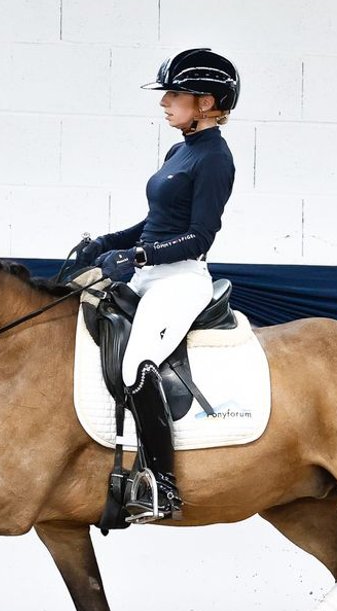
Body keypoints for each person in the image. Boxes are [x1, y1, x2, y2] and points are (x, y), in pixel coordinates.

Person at [81, 48, 239, 524]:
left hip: (180, 280)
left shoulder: (215, 158)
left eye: (174, 94)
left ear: (207, 103)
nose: (164, 102)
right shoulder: (179, 150)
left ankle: (161, 485)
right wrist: (111, 241)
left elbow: (199, 236)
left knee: (137, 362)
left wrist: (137, 256)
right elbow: (157, 221)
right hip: (148, 272)